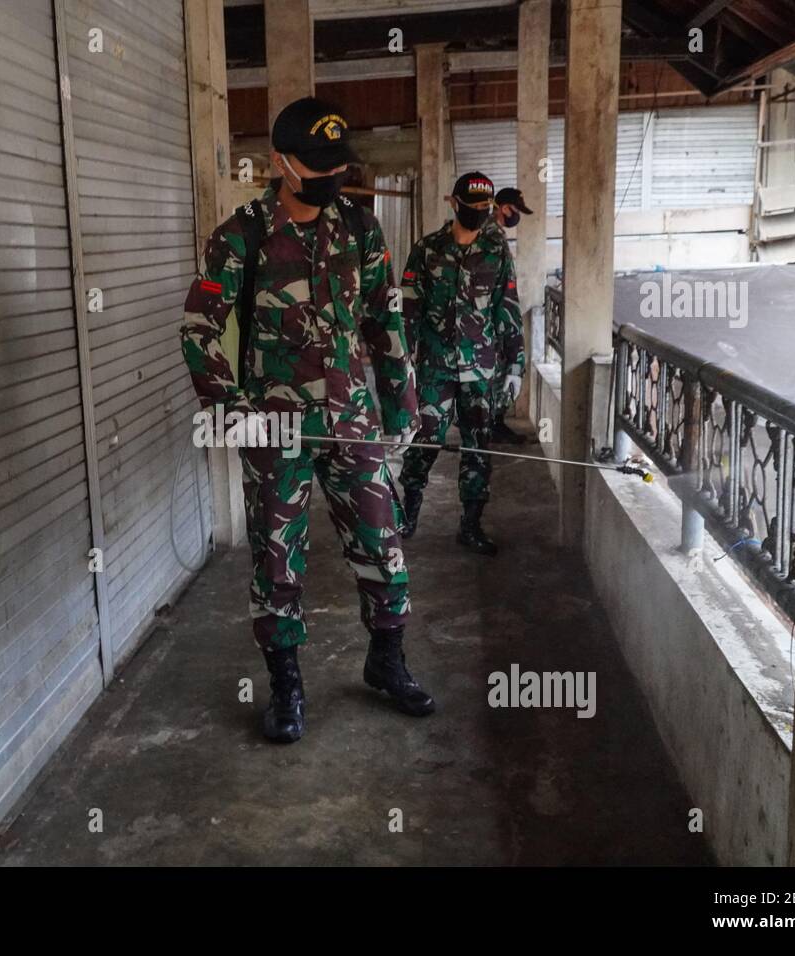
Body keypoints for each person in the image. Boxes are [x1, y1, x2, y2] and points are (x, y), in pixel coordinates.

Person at [179, 97, 435, 744]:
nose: (332, 178)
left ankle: (387, 658)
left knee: (382, 542)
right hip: (275, 429)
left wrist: (404, 400)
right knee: (277, 558)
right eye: (317, 166)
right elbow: (199, 328)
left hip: (353, 419)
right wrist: (230, 409)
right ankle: (286, 685)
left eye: (337, 165)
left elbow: (386, 319)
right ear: (279, 164)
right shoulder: (242, 236)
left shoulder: (360, 229)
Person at [398, 172, 525, 555]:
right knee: (426, 441)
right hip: (435, 368)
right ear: (454, 204)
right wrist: (401, 364)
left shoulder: (496, 251)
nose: (479, 215)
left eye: (484, 209)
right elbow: (408, 309)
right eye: (471, 209)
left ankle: (470, 525)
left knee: (478, 447)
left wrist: (516, 363)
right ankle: (408, 515)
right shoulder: (427, 249)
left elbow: (508, 308)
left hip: (481, 369)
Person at [485, 187, 535, 445]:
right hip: (492, 322)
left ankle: (493, 423)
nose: (517, 217)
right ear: (504, 208)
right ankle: (491, 424)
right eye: (515, 211)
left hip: (486, 321)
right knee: (501, 371)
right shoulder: (492, 238)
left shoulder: (492, 235)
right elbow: (503, 292)